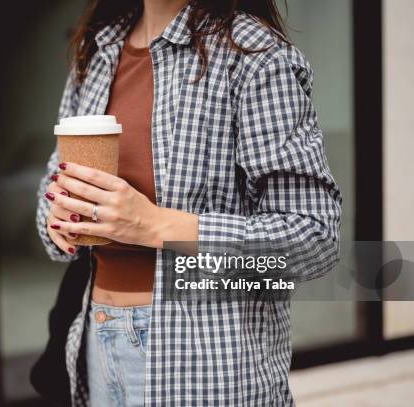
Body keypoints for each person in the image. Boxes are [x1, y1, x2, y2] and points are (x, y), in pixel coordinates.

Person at [36, 0, 342, 405]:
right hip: (96, 338)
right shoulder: (98, 50)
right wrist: (60, 218)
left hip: (206, 360)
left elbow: (314, 239)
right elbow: (52, 200)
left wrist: (153, 225)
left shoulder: (252, 54)